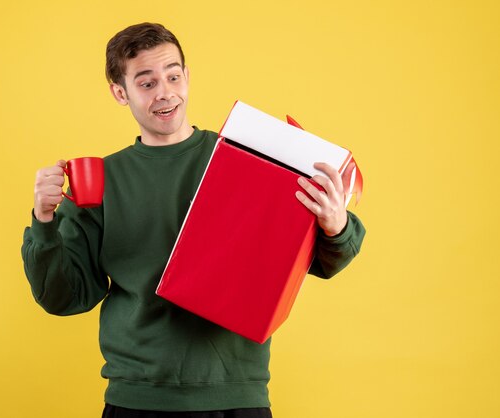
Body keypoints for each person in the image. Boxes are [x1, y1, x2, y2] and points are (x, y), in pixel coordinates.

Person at [22, 22, 365, 417]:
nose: (165, 92)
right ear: (121, 92)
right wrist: (43, 220)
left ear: (187, 77)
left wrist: (336, 223)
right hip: (138, 399)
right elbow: (63, 296)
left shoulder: (244, 155)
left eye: (172, 76)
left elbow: (321, 257)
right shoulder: (101, 181)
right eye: (146, 83)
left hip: (237, 396)